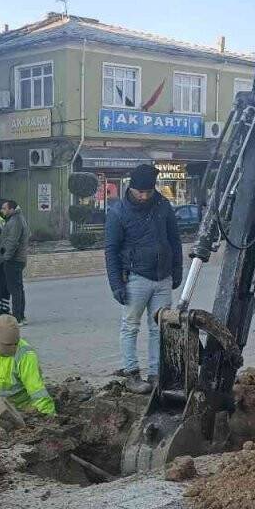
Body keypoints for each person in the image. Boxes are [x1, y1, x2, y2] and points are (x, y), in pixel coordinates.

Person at [104, 164, 182, 394]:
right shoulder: (118, 213)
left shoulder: (163, 206)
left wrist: (177, 270)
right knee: (130, 326)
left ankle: (156, 375)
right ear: (131, 188)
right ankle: (131, 374)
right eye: (140, 192)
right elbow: (111, 250)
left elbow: (174, 240)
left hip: (163, 278)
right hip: (135, 278)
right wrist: (116, 284)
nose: (144, 196)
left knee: (160, 329)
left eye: (148, 191)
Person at [0, 199, 30, 325]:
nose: (2, 211)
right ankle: (20, 315)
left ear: (11, 209)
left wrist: (6, 257)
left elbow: (12, 241)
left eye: (4, 208)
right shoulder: (18, 218)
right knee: (18, 288)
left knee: (15, 289)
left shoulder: (15, 220)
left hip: (14, 260)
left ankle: (17, 317)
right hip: (18, 259)